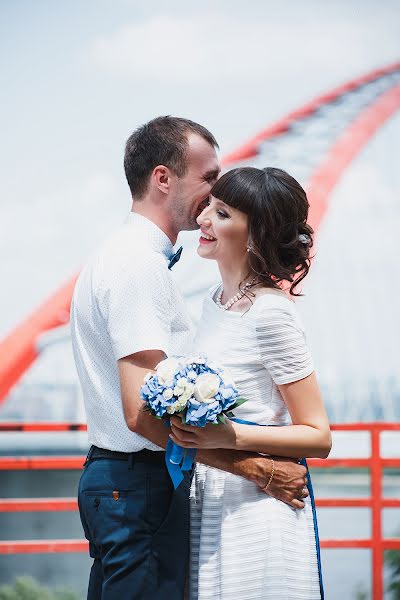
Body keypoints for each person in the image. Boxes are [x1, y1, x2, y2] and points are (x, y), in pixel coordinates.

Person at [70, 118, 310, 600]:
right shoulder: (138, 265)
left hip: (129, 484)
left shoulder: (128, 256)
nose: (214, 194)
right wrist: (254, 468)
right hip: (137, 484)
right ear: (163, 178)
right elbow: (139, 412)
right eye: (208, 180)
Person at [170, 166, 332, 600]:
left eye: (222, 214)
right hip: (213, 498)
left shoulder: (270, 313)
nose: (203, 219)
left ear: (256, 234)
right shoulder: (212, 302)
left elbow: (318, 435)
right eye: (209, 206)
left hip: (259, 505)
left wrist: (229, 434)